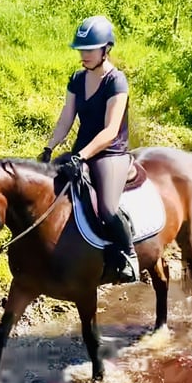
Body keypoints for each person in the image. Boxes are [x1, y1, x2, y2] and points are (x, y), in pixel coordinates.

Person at [38, 15, 139, 283]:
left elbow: (110, 130)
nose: (83, 55)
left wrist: (82, 155)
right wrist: (49, 147)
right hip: (80, 153)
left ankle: (129, 255)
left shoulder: (116, 81)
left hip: (111, 153)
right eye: (81, 50)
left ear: (106, 49)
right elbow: (66, 118)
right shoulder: (76, 79)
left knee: (107, 208)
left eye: (90, 50)